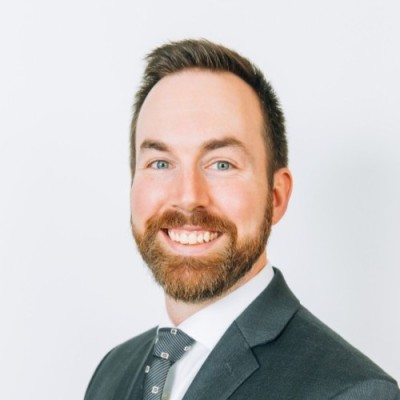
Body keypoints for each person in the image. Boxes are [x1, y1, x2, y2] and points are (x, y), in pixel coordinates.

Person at [85, 39, 400, 400]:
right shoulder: (113, 371)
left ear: (276, 195)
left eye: (222, 164)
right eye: (160, 163)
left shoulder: (352, 392)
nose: (187, 196)